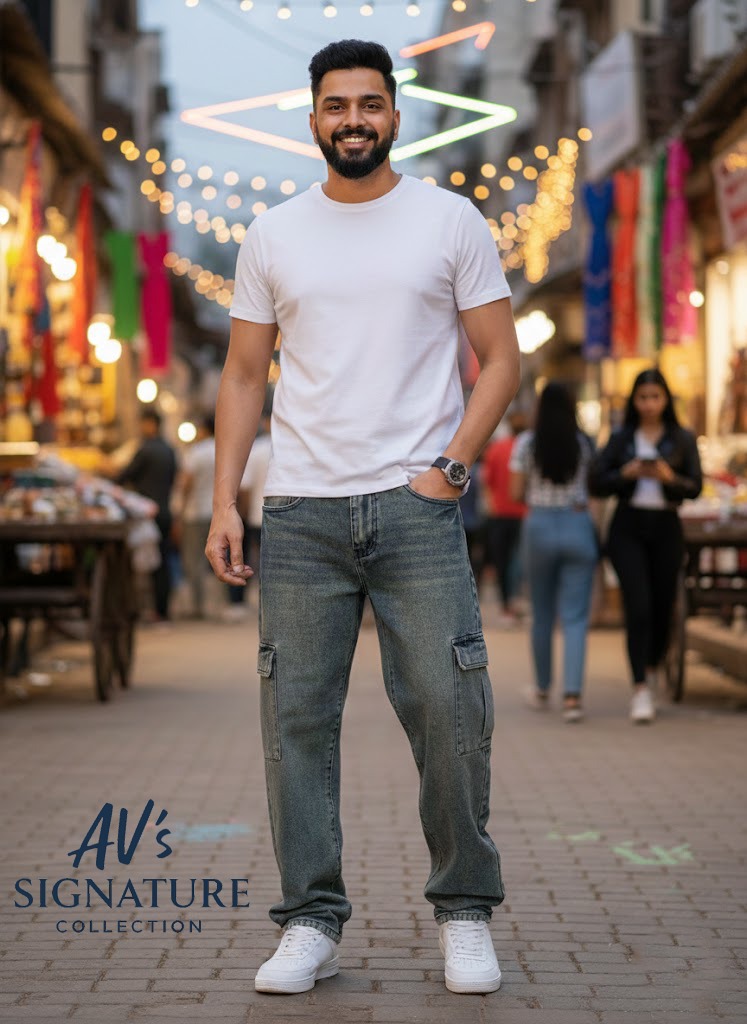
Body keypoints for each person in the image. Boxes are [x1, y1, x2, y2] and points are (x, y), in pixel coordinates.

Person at [206, 39, 520, 998]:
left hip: (415, 510)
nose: (354, 120)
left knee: (447, 708)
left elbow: (500, 359)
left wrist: (450, 468)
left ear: (395, 115)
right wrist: (225, 499)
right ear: (311, 119)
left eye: (371, 105)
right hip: (300, 512)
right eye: (336, 105)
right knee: (296, 723)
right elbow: (246, 373)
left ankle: (463, 913)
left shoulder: (449, 221)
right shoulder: (273, 234)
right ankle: (310, 921)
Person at [589, 368, 702, 723]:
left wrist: (671, 478)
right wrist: (626, 473)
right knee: (637, 606)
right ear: (634, 401)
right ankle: (640, 686)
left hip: (666, 526)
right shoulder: (622, 439)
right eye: (643, 397)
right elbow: (596, 481)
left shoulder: (682, 438)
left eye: (655, 397)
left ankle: (652, 666)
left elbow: (695, 486)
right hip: (628, 528)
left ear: (665, 399)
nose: (649, 404)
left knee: (661, 605)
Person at [509, 383, 597, 722]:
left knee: (542, 613)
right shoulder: (583, 443)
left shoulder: (526, 444)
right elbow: (591, 488)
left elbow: (517, 492)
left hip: (540, 527)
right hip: (578, 524)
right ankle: (573, 698)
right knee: (575, 617)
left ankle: (543, 687)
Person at [117, 409, 177, 622]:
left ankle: (153, 610)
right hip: (165, 510)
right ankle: (162, 609)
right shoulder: (169, 450)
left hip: (148, 513)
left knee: (151, 562)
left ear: (151, 424)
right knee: (162, 561)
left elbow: (125, 475)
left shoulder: (146, 449)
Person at [224, 406, 272, 621]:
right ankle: (274, 603)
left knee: (255, 560)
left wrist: (239, 517)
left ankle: (240, 603)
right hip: (289, 515)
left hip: (257, 515)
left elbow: (245, 488)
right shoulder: (295, 447)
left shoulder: (258, 450)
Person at [482, 416, 527, 625]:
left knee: (502, 560)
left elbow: (486, 482)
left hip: (499, 513)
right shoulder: (526, 448)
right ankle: (516, 601)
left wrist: (491, 506)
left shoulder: (497, 448)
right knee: (517, 560)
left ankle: (506, 606)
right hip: (524, 513)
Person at [175, 414, 215, 619]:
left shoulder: (195, 453)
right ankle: (219, 606)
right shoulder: (221, 450)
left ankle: (198, 606)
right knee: (219, 560)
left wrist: (179, 511)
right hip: (215, 512)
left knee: (194, 560)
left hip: (195, 512)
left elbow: (186, 483)